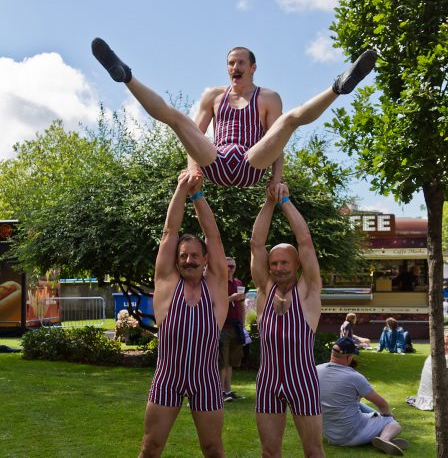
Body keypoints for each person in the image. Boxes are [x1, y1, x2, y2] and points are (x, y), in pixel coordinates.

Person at [92, 38, 377, 188]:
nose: (234, 67)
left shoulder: (268, 97)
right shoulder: (213, 96)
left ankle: (338, 86)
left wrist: (277, 181)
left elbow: (276, 143)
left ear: (253, 67)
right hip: (215, 161)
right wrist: (193, 169)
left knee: (289, 121)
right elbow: (195, 134)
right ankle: (126, 76)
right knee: (177, 119)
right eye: (230, 63)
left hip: (250, 163)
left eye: (240, 63)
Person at [139, 170, 228, 458]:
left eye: (194, 256)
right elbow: (170, 232)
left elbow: (212, 236)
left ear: (205, 261)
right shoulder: (167, 284)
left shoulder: (215, 287)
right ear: (176, 261)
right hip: (168, 378)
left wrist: (197, 195)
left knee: (213, 448)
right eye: (183, 256)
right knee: (151, 447)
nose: (188, 260)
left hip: (206, 380)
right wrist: (181, 188)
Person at [250, 181, 324, 457]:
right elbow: (257, 243)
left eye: (284, 263)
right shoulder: (264, 290)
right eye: (274, 263)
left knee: (313, 452)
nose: (278, 268)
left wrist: (285, 201)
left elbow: (305, 242)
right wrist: (269, 202)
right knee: (269, 452)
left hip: (302, 381)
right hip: (268, 382)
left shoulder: (308, 292)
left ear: (297, 265)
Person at [317, 337, 409, 456]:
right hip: (351, 435)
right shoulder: (354, 377)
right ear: (349, 357)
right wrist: (387, 416)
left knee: (358, 404)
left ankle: (378, 433)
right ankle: (384, 438)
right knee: (393, 424)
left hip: (332, 436)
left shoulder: (315, 370)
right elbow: (382, 404)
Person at [408, 332, 448, 412]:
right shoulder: (447, 359)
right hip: (442, 398)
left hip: (425, 399)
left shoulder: (431, 356)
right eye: (445, 344)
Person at [219, 256, 245, 402]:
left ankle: (228, 391)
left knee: (231, 362)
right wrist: (231, 298)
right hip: (223, 326)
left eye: (232, 266)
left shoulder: (238, 283)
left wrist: (243, 323)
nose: (230, 269)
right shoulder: (219, 283)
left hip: (236, 326)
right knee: (222, 362)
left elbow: (241, 305)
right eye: (227, 266)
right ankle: (221, 392)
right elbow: (214, 303)